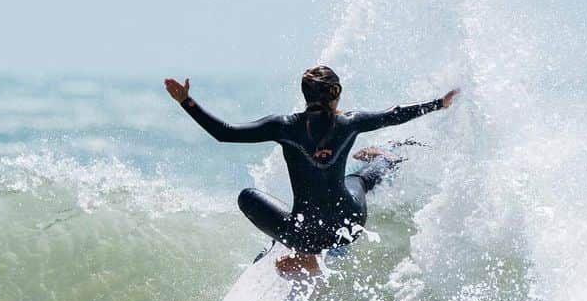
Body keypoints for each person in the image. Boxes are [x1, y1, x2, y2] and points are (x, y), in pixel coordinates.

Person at [163, 65, 459, 275]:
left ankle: (306, 258)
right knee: (358, 179)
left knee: (248, 196)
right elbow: (394, 115)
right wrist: (439, 104)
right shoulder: (350, 122)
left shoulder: (284, 126)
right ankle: (386, 160)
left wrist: (186, 102)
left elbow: (225, 133)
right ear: (336, 91)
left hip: (307, 235)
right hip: (350, 225)